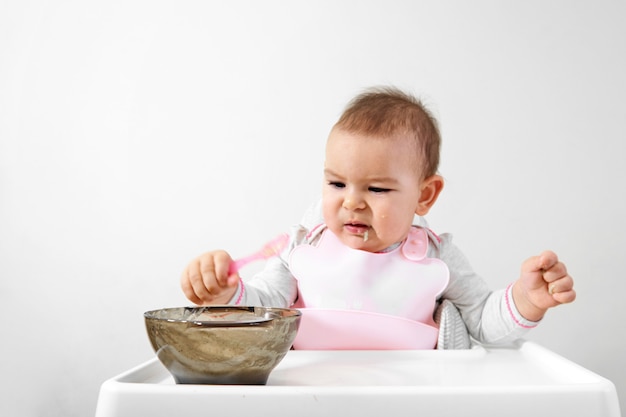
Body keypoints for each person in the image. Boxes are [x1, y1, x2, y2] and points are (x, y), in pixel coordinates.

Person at [180, 86, 576, 346]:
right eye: (337, 184)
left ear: (424, 195)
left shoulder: (437, 256)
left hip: (411, 395)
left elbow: (482, 323)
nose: (352, 202)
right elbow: (262, 308)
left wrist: (525, 299)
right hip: (310, 391)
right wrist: (226, 295)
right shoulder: (304, 246)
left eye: (377, 189)